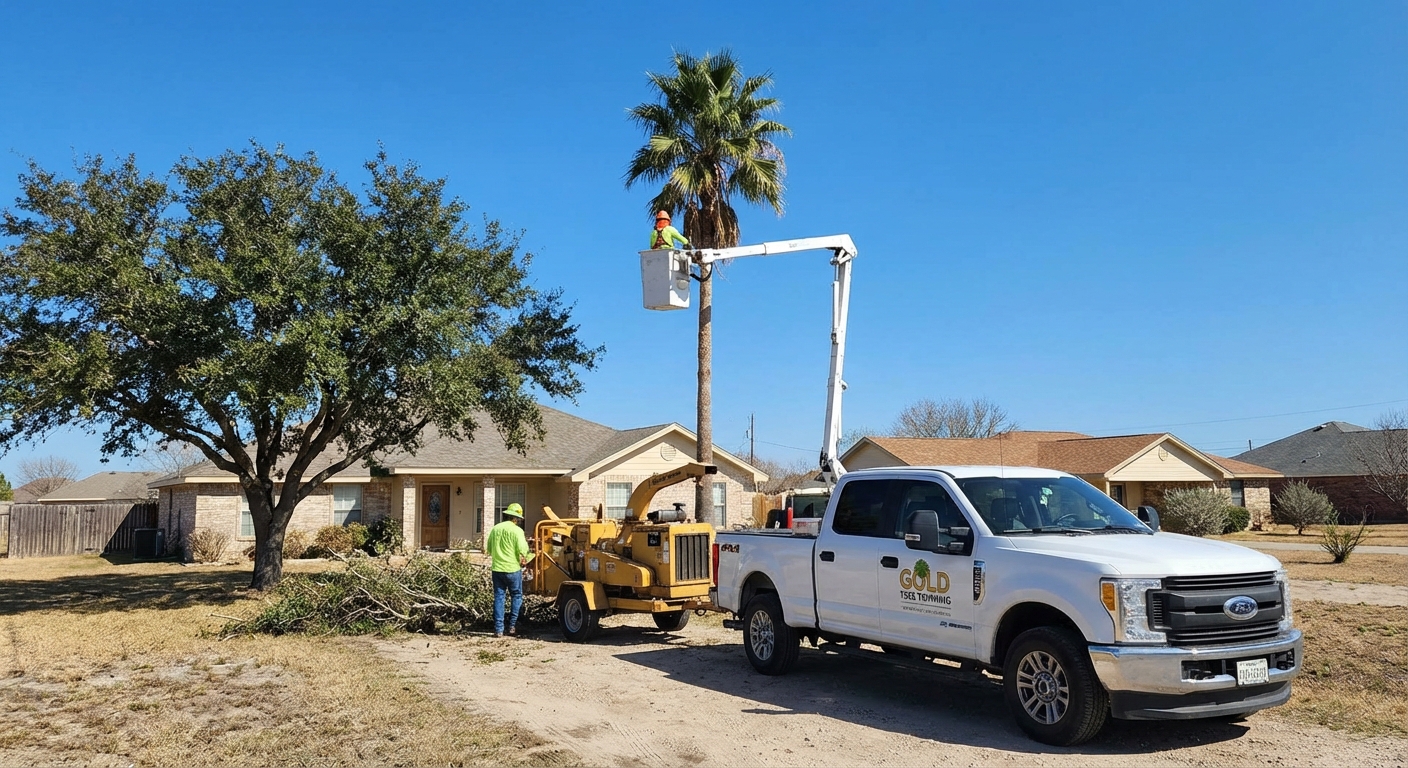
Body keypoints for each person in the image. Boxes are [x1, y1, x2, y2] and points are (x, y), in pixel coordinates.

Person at [487, 502, 532, 637]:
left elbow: (489, 549)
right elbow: (523, 550)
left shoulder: (495, 529)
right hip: (512, 569)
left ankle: (498, 629)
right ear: (516, 518)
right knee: (516, 596)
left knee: (499, 597)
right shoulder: (517, 531)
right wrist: (529, 556)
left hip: (497, 569)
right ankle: (512, 626)